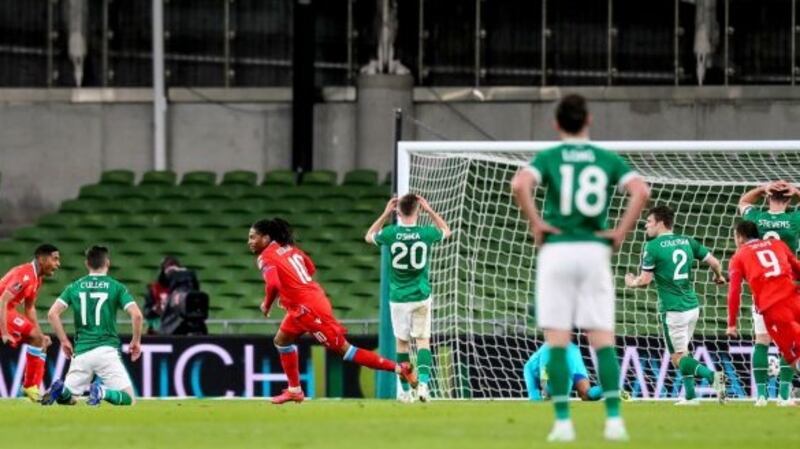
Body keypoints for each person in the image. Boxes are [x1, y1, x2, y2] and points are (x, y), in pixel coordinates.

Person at [510, 93, 650, 442]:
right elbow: (641, 191)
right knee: (601, 338)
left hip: (557, 250)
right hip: (592, 250)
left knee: (557, 341)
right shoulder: (605, 158)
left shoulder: (550, 156)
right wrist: (619, 232)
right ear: (589, 121)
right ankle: (614, 420)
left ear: (556, 124)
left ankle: (562, 423)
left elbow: (519, 184)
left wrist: (537, 223)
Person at [249, 218, 417, 405]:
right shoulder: (291, 249)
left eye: (253, 237)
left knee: (346, 350)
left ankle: (400, 368)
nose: (250, 241)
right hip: (304, 305)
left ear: (265, 238)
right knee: (281, 340)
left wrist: (267, 304)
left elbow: (273, 284)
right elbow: (310, 269)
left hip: (309, 310)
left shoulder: (265, 257)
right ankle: (294, 390)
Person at [624, 205, 727, 405]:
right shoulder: (688, 241)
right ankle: (690, 396)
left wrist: (631, 282)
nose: (646, 225)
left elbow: (645, 281)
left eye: (649, 222)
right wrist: (719, 277)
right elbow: (715, 262)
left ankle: (712, 376)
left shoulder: (652, 247)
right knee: (683, 352)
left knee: (678, 357)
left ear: (661, 223)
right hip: (692, 308)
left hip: (673, 311)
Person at [365, 194, 451, 403]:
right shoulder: (425, 233)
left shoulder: (390, 233)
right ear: (417, 210)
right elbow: (447, 231)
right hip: (421, 296)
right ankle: (422, 385)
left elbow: (369, 236)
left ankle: (405, 392)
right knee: (423, 342)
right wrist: (430, 210)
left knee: (402, 345)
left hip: (398, 299)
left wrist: (385, 213)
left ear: (398, 211)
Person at [41, 245, 143, 406]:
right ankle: (102, 391)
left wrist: (64, 341)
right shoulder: (116, 287)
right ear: (107, 263)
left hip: (82, 352)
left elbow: (52, 314)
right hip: (106, 351)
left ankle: (61, 390)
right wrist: (136, 341)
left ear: (87, 264)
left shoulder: (74, 286)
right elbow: (137, 315)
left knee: (70, 398)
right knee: (129, 399)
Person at [737, 180, 800, 406]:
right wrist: (796, 191)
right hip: (789, 289)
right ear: (789, 199)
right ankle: (784, 397)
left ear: (767, 197)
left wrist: (761, 188)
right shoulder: (795, 220)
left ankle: (761, 397)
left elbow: (743, 201)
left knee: (761, 341)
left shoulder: (755, 218)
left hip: (762, 290)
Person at [727, 221, 800, 381]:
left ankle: (773, 397)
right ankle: (786, 395)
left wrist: (732, 323)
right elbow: (797, 268)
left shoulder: (738, 256)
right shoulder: (777, 244)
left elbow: (734, 291)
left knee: (793, 357)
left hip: (774, 309)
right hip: (795, 299)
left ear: (739, 237)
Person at [0, 243, 60, 402]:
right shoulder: (25, 275)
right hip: (3, 308)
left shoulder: (37, 279)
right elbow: (3, 300)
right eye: (55, 259)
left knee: (40, 340)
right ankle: (29, 386)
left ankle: (31, 386)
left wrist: (40, 335)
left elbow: (30, 309)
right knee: (37, 338)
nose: (58, 264)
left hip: (7, 310)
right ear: (42, 259)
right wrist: (4, 332)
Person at [523, 343, 604, 402]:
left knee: (587, 395)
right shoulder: (547, 355)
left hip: (572, 357)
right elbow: (544, 381)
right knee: (535, 399)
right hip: (534, 369)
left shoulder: (570, 362)